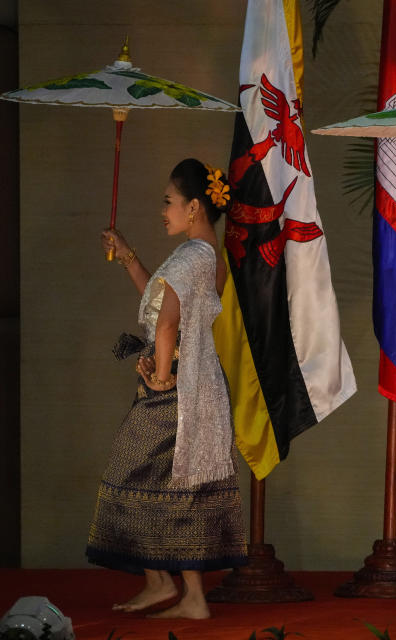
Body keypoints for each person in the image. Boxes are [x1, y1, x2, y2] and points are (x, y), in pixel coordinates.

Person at [85, 159, 246, 619]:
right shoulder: (206, 254)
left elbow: (168, 321)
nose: (164, 210)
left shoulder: (191, 256)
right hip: (195, 378)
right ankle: (165, 584)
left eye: (169, 201)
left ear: (194, 206)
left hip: (175, 384)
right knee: (171, 481)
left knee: (139, 473)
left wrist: (157, 375)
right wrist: (129, 255)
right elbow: (159, 303)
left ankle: (182, 592)